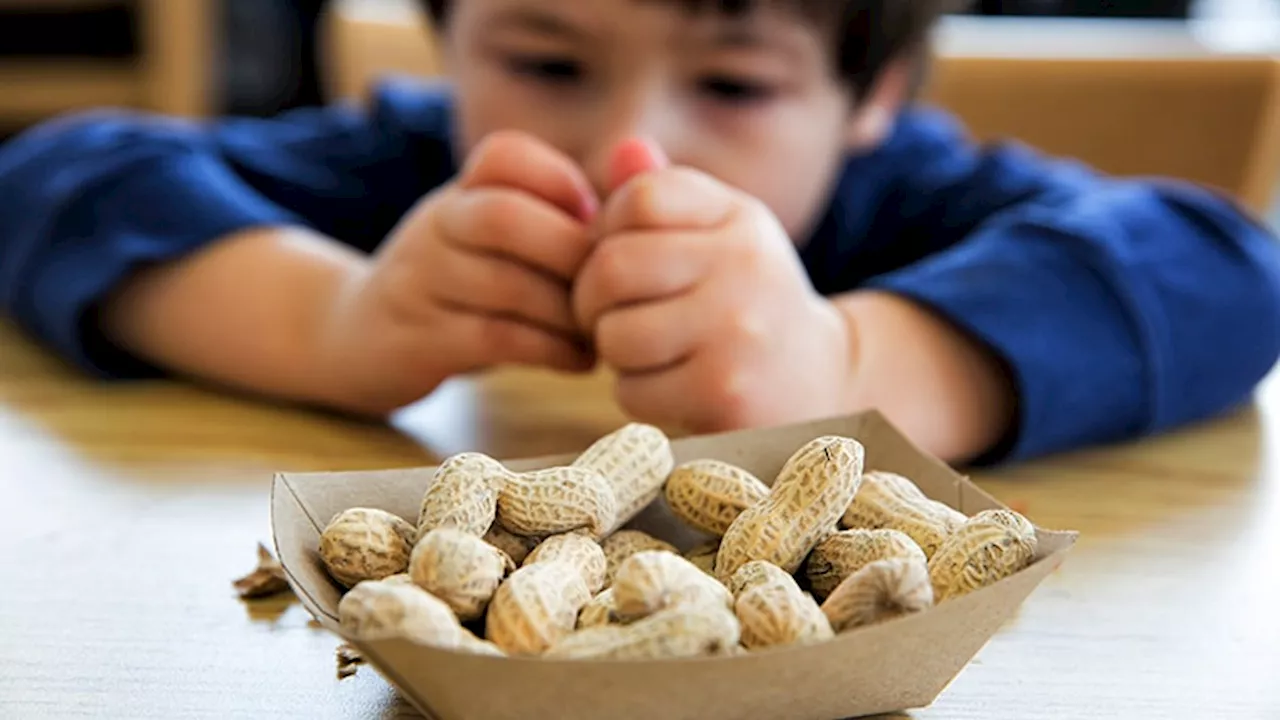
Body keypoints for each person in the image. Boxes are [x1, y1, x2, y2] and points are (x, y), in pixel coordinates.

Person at [0, 0, 1278, 467]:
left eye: (732, 86)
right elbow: (59, 175)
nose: (633, 152)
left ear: (873, 101)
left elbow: (1225, 267)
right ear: (446, 42)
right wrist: (324, 319)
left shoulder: (914, 202)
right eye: (546, 59)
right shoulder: (405, 163)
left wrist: (854, 371)